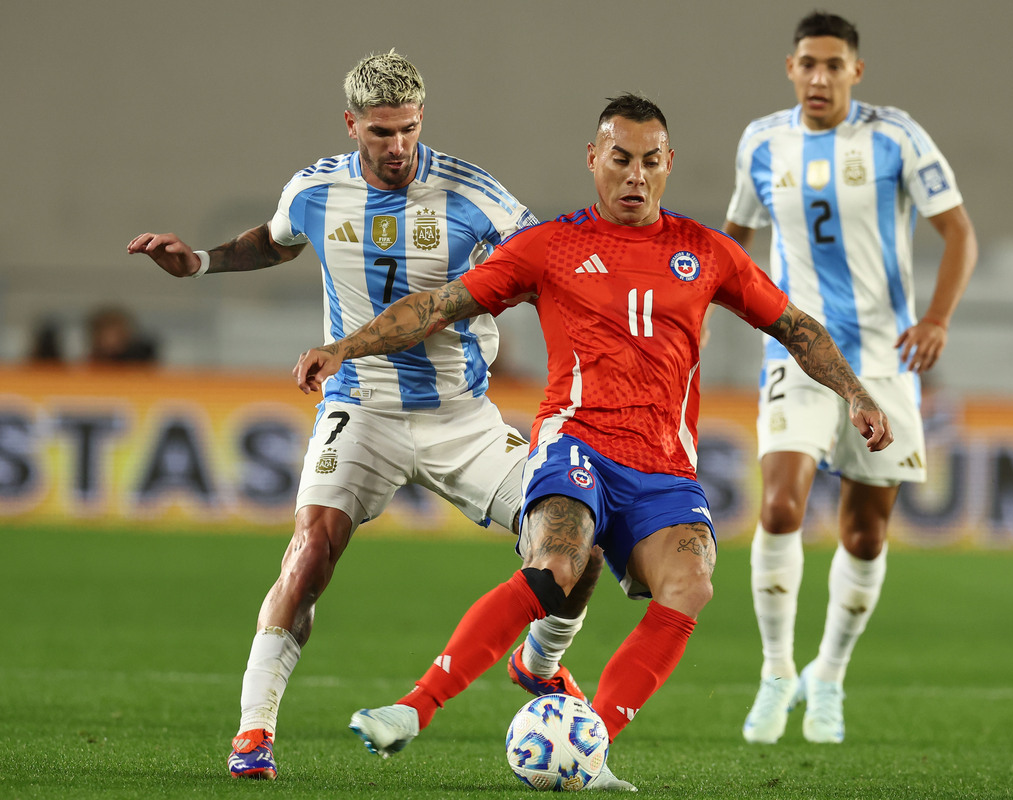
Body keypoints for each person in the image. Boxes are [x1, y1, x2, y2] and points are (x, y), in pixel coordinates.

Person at [292, 93, 893, 790]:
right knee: (559, 560)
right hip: (575, 443)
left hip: (664, 465)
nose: (634, 175)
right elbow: (436, 306)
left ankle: (590, 746)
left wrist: (855, 392)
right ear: (593, 159)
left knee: (690, 582)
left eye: (649, 161)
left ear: (669, 165)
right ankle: (413, 708)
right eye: (620, 159)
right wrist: (346, 346)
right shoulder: (551, 246)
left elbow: (797, 328)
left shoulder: (706, 252)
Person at [127, 51, 598, 781]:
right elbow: (278, 239)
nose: (398, 147)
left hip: (461, 418)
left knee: (577, 540)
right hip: (361, 409)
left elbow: (548, 272)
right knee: (310, 551)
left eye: (409, 129)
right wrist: (201, 262)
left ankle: (538, 665)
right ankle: (254, 733)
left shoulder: (476, 196)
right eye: (381, 132)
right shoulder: (316, 189)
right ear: (352, 125)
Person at [722, 11, 977, 745]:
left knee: (865, 534)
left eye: (834, 64)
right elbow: (736, 238)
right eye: (808, 63)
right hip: (796, 354)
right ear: (791, 68)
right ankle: (775, 673)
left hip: (884, 360)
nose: (820, 77)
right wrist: (724, 303)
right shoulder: (762, 141)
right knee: (778, 507)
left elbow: (958, 230)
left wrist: (936, 320)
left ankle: (826, 676)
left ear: (855, 72)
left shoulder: (896, 136)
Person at [87, 306, 158, 363]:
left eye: (117, 334)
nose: (111, 341)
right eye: (107, 335)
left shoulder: (141, 365)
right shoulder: (88, 366)